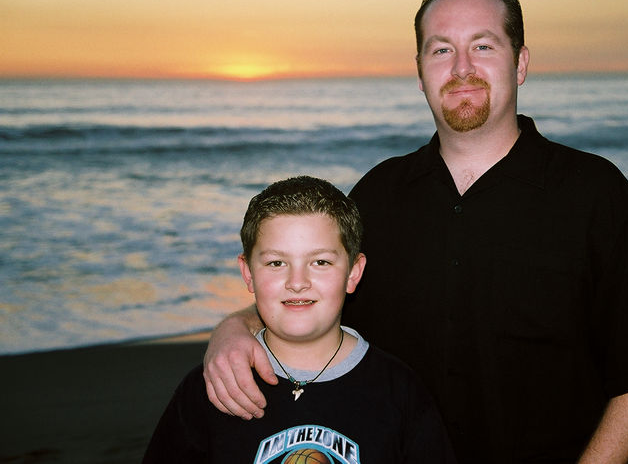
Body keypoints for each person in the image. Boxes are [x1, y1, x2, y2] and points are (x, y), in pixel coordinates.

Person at [203, 0, 628, 462]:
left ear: (520, 63)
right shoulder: (378, 195)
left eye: (483, 46)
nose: (462, 68)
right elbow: (314, 299)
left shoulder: (596, 195)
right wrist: (235, 328)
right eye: (441, 50)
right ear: (420, 72)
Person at [144, 176, 457, 463]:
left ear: (353, 273)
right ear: (248, 273)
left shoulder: (400, 392)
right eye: (276, 263)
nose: (297, 282)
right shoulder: (214, 386)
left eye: (320, 262)